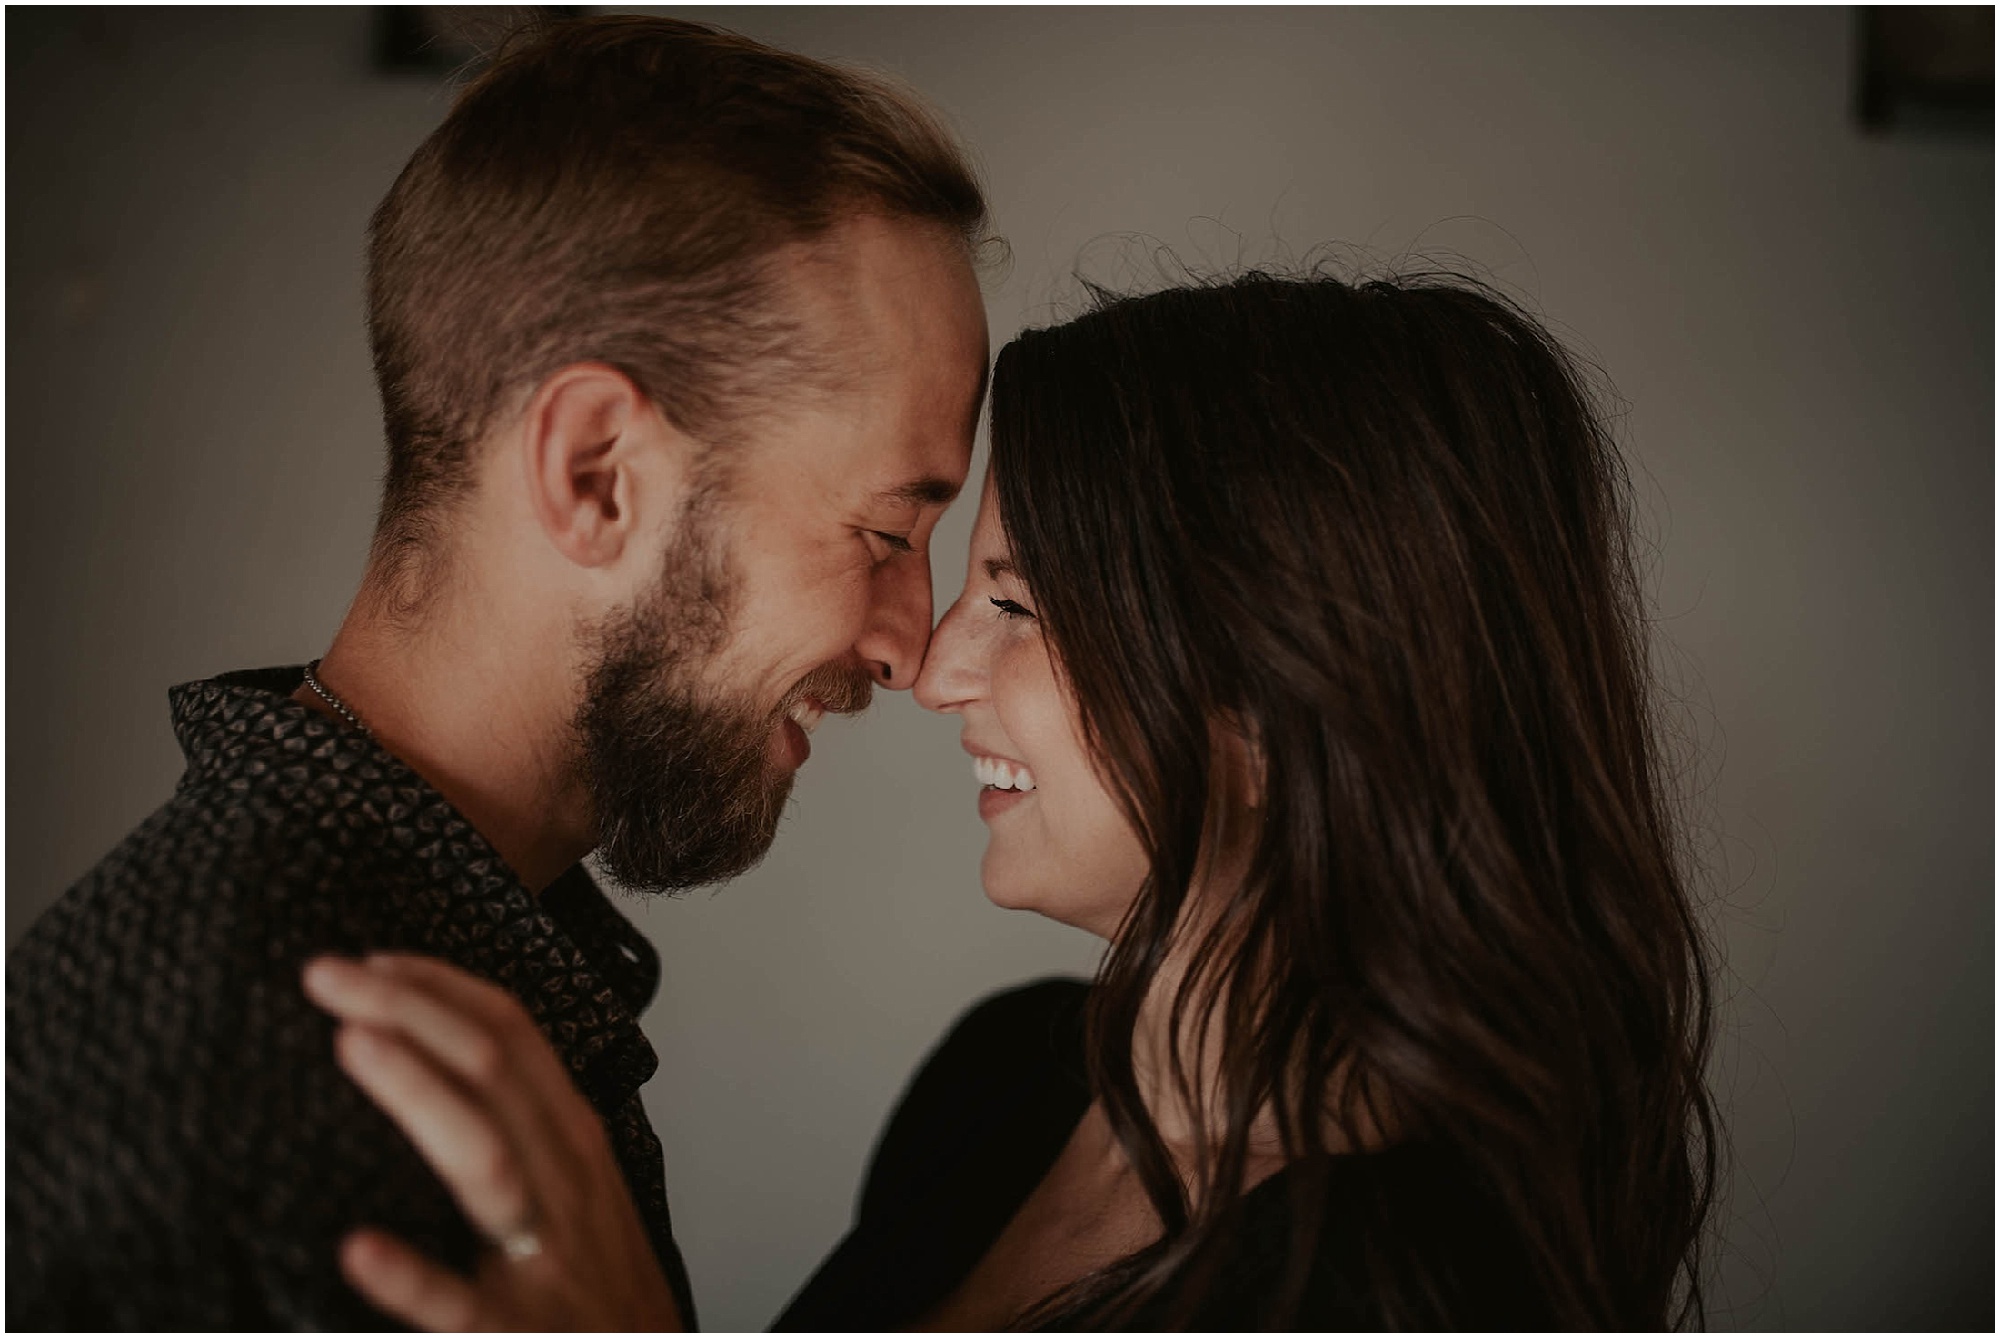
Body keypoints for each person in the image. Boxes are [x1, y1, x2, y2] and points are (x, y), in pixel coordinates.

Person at [305, 268, 1722, 1329]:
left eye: (1021, 602)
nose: (932, 667)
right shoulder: (1004, 1076)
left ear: (1280, 699)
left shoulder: (1410, 1291)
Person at [5, 15, 992, 1329]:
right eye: (883, 532)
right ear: (594, 473)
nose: (909, 644)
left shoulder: (428, 948)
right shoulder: (266, 1077)